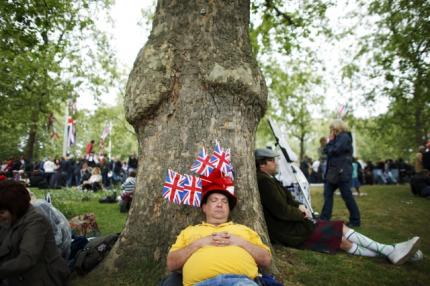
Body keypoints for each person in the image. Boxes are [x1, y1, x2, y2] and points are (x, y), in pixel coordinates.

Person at [255, 148, 422, 265]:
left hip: (294, 226)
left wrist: (300, 207)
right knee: (341, 236)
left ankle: (391, 252)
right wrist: (303, 214)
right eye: (272, 160)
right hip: (290, 232)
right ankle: (391, 250)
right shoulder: (263, 181)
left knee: (342, 238)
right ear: (262, 164)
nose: (276, 163)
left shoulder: (268, 179)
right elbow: (281, 211)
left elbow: (290, 201)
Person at [166, 170, 272, 286]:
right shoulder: (189, 232)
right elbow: (171, 263)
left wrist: (240, 242)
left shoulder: (243, 230)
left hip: (240, 282)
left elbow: (266, 260)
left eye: (224, 201)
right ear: (204, 207)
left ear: (228, 208)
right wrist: (199, 243)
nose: (220, 204)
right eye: (214, 200)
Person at [0, 180, 70, 285]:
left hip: (43, 280)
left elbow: (27, 259)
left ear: (15, 208)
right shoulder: (10, 219)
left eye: (1, 212)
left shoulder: (36, 221)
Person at [319, 119, 361, 227]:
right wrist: (331, 141)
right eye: (331, 129)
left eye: (333, 128)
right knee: (327, 194)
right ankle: (324, 218)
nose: (331, 131)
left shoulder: (345, 137)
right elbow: (325, 151)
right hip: (333, 173)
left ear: (338, 127)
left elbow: (334, 150)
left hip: (342, 172)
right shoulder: (336, 138)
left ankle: (355, 220)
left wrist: (331, 141)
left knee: (347, 196)